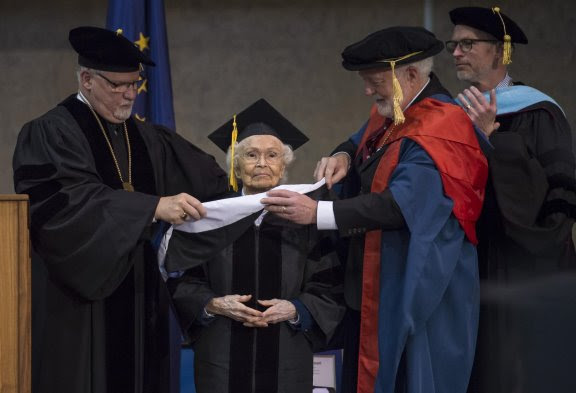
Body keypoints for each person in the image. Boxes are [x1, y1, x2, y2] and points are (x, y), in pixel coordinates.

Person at [262, 27, 488, 393]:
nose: (368, 91)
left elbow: (398, 205)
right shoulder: (399, 110)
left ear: (410, 75)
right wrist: (342, 155)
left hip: (417, 285)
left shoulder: (443, 128)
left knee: (409, 375)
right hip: (376, 277)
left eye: (374, 81)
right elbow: (358, 140)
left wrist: (315, 214)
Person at [12, 26, 229, 393]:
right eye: (118, 85)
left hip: (141, 290)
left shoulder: (145, 136)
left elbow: (207, 179)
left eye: (135, 83)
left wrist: (257, 182)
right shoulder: (49, 132)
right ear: (87, 79)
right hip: (78, 299)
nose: (130, 94)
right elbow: (64, 205)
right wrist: (151, 208)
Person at [161, 99, 345, 393]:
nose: (262, 163)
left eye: (272, 155)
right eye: (251, 155)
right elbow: (183, 280)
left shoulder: (306, 217)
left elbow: (328, 284)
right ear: (236, 164)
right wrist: (211, 304)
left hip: (287, 354)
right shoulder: (211, 218)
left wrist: (296, 309)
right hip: (222, 355)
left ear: (284, 164)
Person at [446, 6, 576, 393]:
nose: (455, 53)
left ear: (500, 52)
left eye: (467, 44)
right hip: (471, 260)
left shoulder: (538, 111)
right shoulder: (453, 114)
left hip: (527, 263)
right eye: (453, 45)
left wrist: (493, 138)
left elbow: (559, 189)